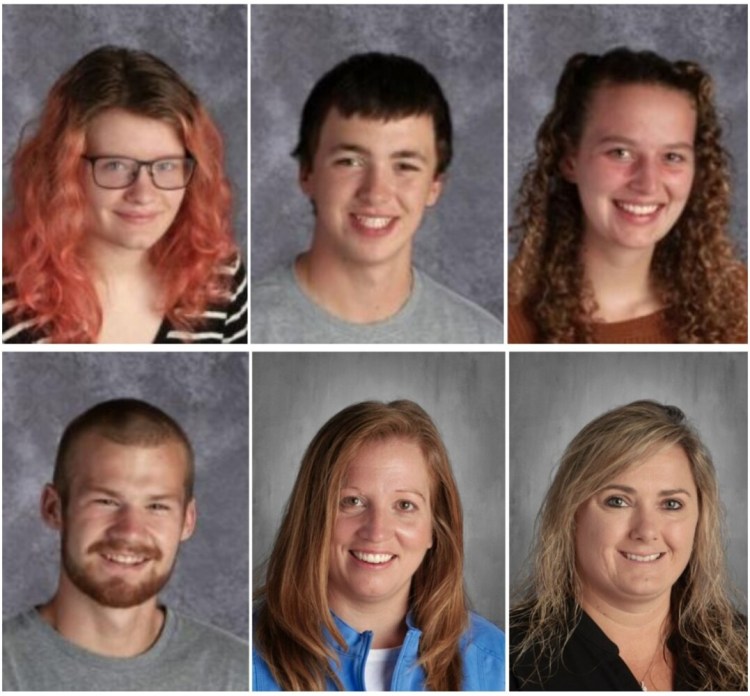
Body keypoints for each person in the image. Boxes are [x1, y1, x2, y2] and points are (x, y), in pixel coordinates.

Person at [251, 52, 503, 343]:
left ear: (434, 186)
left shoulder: (482, 339)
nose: (376, 192)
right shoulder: (246, 328)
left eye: (405, 166)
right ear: (307, 173)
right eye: (350, 161)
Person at [253, 400, 505, 690]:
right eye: (352, 501)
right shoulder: (241, 658)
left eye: (405, 505)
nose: (377, 531)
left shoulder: (496, 663)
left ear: (434, 528)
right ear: (312, 518)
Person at [2, 46, 247, 344]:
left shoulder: (220, 277)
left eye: (166, 165)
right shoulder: (9, 300)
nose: (143, 193)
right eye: (115, 166)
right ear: (64, 171)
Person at [2, 398, 249, 690]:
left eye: (156, 506)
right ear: (53, 508)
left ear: (187, 520)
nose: (130, 532)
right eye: (106, 501)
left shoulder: (238, 676)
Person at [508, 47, 747, 343]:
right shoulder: (509, 317)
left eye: (672, 156)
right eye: (620, 153)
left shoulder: (740, 301)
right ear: (570, 160)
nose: (648, 183)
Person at [510, 400, 747, 690]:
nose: (646, 531)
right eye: (617, 501)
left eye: (671, 504)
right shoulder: (510, 663)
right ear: (571, 515)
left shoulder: (742, 650)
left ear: (699, 518)